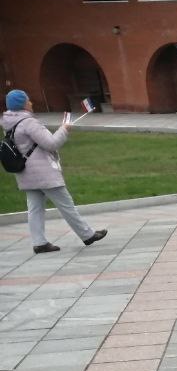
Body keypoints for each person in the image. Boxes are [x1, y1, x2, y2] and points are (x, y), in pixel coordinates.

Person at [2, 89, 106, 255]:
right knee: (66, 204)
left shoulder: (9, 123)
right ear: (22, 104)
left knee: (35, 209)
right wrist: (64, 129)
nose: (31, 103)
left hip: (26, 173)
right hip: (43, 172)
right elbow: (51, 143)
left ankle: (39, 243)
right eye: (28, 100)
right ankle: (87, 235)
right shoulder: (29, 122)